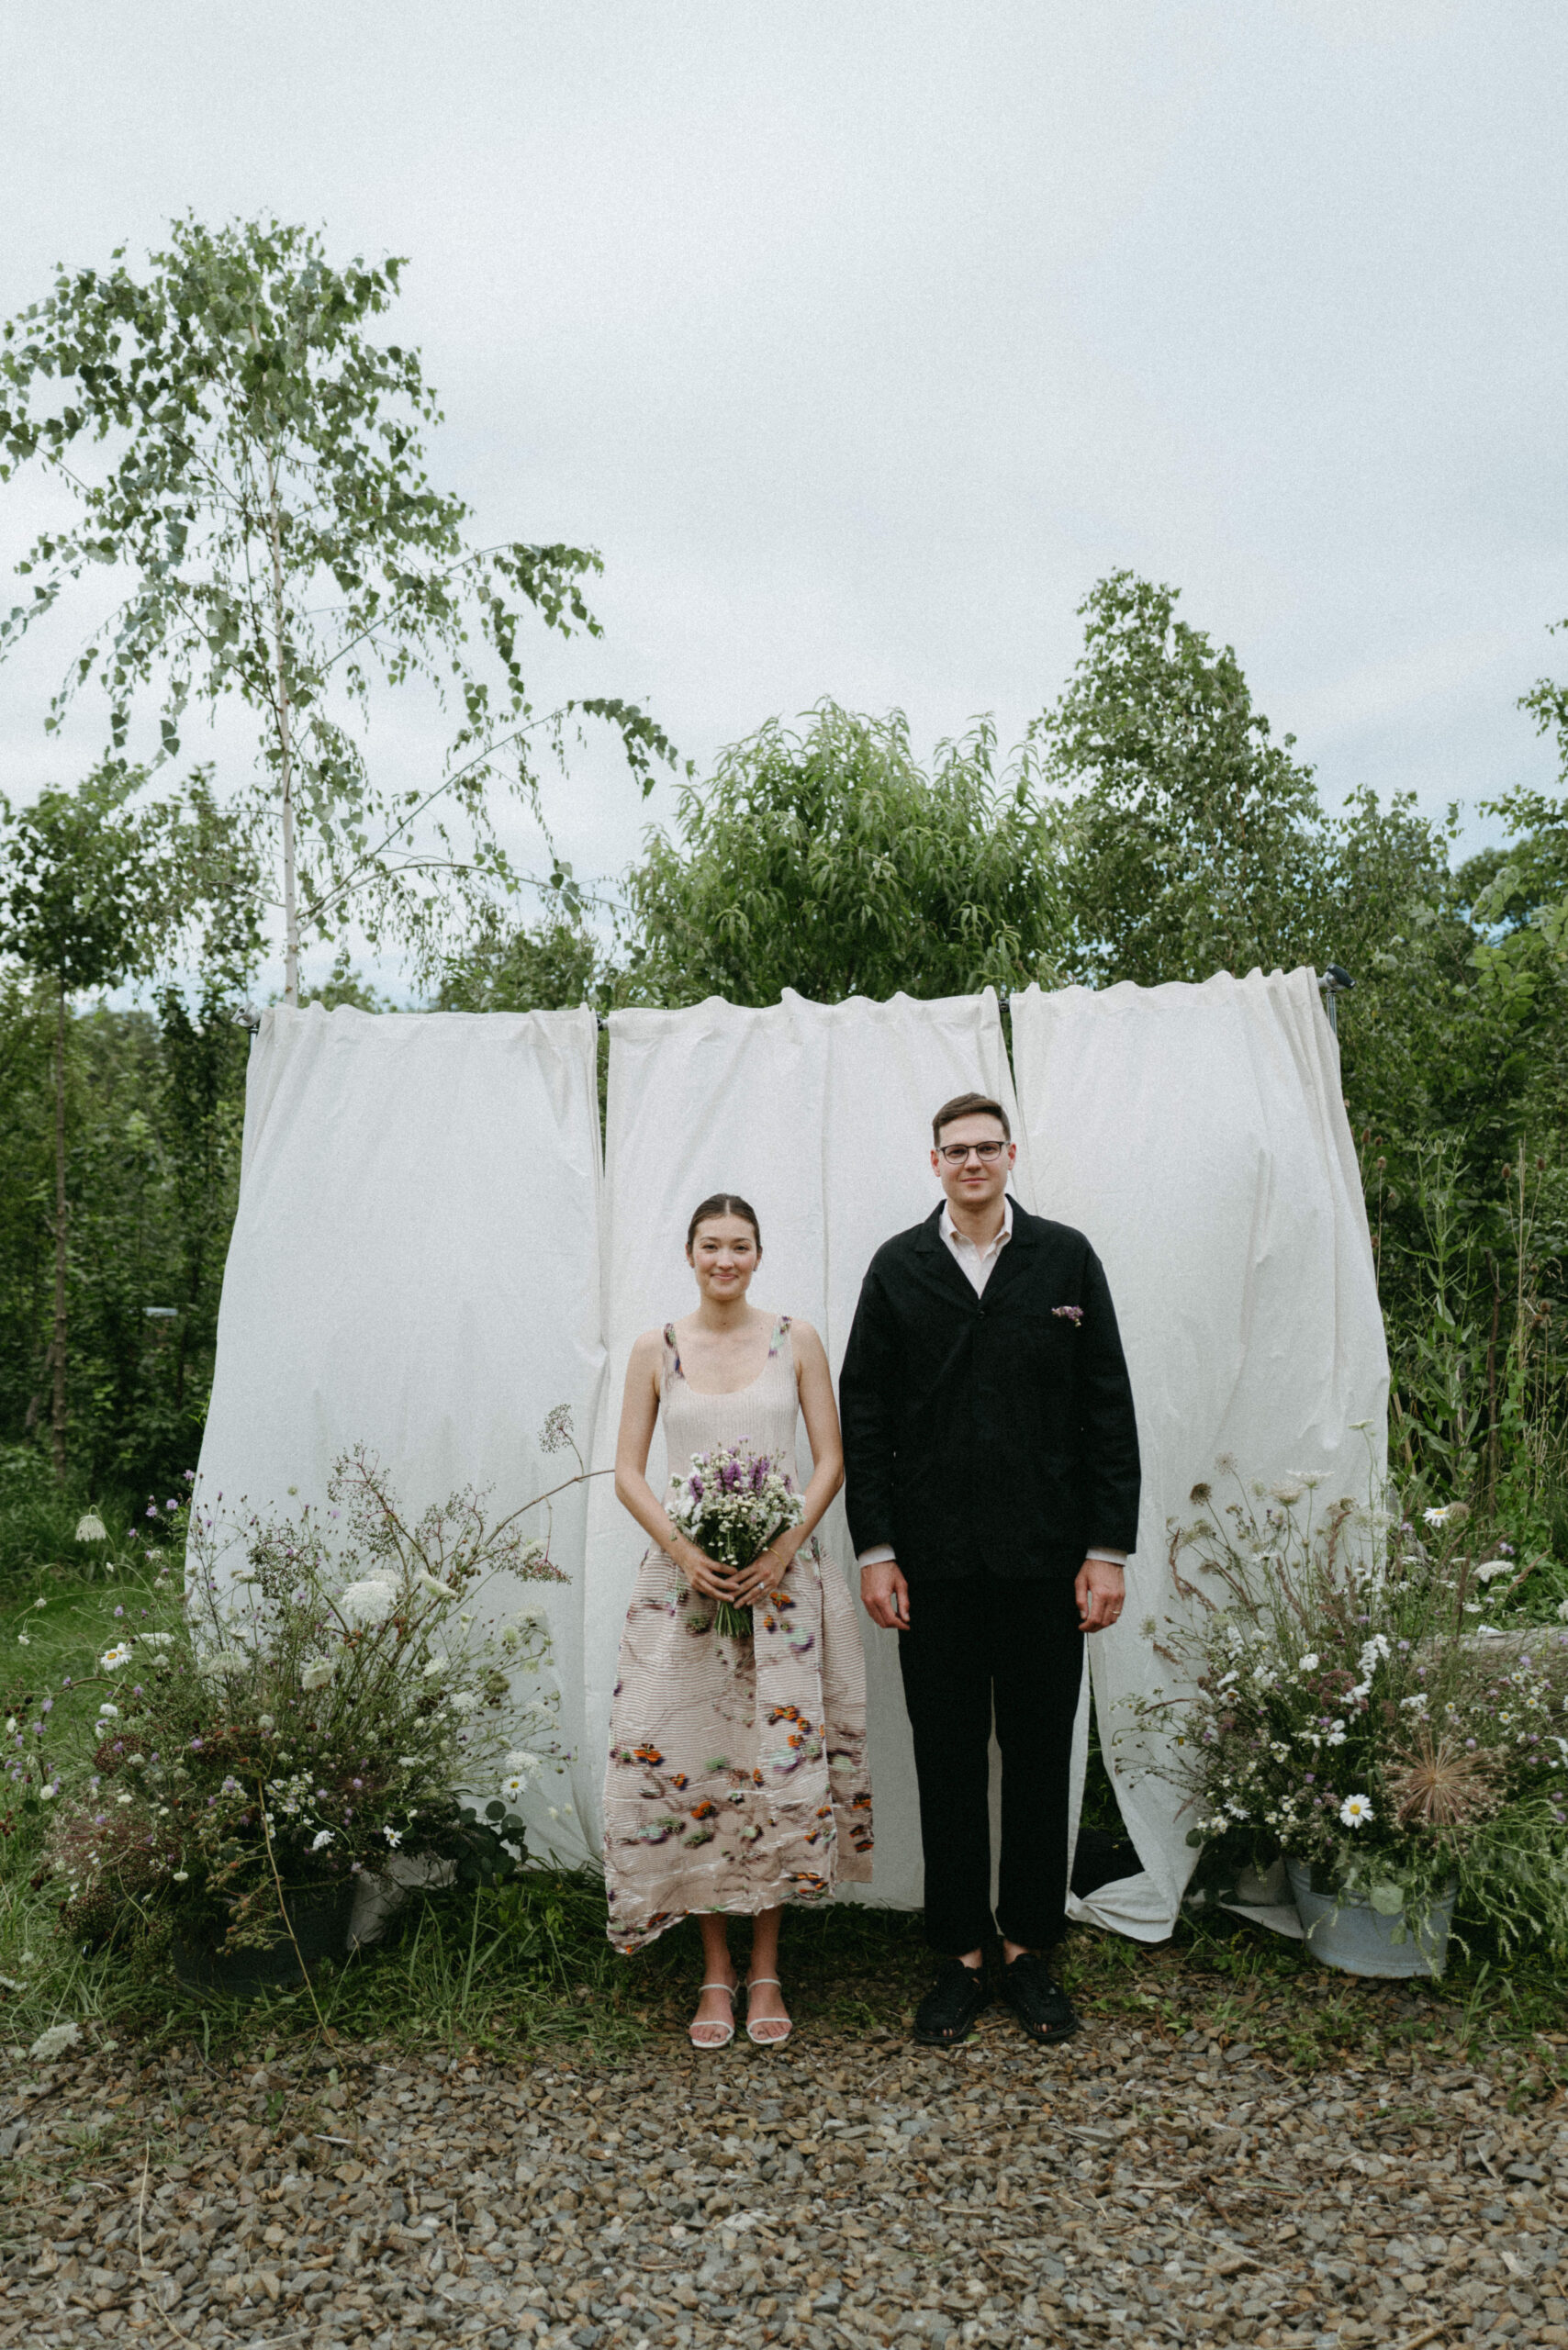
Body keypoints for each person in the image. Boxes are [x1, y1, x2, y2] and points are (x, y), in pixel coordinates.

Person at [838, 1093, 1140, 2047]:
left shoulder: (1064, 1258)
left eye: (984, 1148)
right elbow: (866, 1418)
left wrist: (1105, 1552)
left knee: (1042, 1755)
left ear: (1009, 1155)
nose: (970, 1162)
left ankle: (1029, 1950)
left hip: (1047, 1565)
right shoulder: (898, 1268)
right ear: (933, 1163)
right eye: (953, 1150)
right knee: (948, 1757)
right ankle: (961, 1954)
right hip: (932, 1569)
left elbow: (1107, 1409)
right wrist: (877, 1550)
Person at [604, 1192, 873, 2048]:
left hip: (782, 1591)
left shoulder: (795, 1340)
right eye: (711, 1246)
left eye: (741, 1247)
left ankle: (766, 1967)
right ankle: (712, 1972)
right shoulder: (658, 1348)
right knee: (690, 1771)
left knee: (773, 1771)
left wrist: (783, 1545)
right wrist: (686, 1552)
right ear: (690, 1253)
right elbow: (627, 1471)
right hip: (686, 1593)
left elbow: (829, 1459)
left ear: (759, 1254)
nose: (726, 1260)